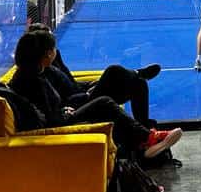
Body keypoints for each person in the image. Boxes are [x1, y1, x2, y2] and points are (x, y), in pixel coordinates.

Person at [8, 28, 180, 156]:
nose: (56, 51)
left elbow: (59, 96)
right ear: (46, 54)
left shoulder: (36, 73)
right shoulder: (31, 80)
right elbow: (49, 119)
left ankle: (147, 136)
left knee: (138, 84)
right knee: (108, 89)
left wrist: (80, 94)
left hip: (71, 104)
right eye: (53, 49)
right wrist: (65, 110)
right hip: (65, 119)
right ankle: (147, 137)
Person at [27, 22, 161, 126]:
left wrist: (89, 85)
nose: (54, 42)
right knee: (113, 71)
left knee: (139, 84)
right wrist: (86, 94)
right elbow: (59, 102)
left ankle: (144, 127)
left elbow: (69, 82)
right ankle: (138, 72)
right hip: (80, 103)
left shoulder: (53, 60)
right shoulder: (39, 75)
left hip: (80, 93)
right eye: (51, 40)